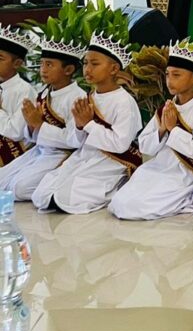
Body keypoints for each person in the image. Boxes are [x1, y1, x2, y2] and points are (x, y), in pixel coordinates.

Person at [109, 42, 193, 220]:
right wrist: (162, 129)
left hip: (186, 172)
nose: (170, 81)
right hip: (160, 166)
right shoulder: (167, 107)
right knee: (119, 202)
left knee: (138, 207)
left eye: (177, 75)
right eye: (168, 75)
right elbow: (145, 147)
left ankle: (189, 198)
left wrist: (173, 129)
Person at [32, 33, 142, 214]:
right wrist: (79, 126)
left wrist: (89, 124)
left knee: (67, 198)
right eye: (85, 63)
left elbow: (120, 145)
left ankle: (115, 187)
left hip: (111, 161)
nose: (87, 69)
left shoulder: (124, 102)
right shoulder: (88, 97)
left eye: (95, 64)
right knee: (41, 195)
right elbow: (75, 141)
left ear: (114, 69)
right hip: (85, 155)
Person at [0, 37, 84, 200]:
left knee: (19, 189)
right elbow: (30, 131)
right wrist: (32, 126)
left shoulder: (77, 97)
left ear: (68, 70)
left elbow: (74, 140)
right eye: (42, 63)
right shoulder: (45, 93)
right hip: (41, 150)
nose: (43, 70)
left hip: (61, 154)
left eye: (49, 65)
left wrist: (39, 125)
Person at [0, 26, 37, 169]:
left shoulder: (25, 92)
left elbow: (15, 132)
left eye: (0, 58)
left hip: (13, 153)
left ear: (17, 64)